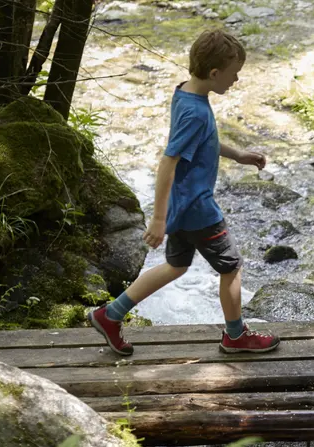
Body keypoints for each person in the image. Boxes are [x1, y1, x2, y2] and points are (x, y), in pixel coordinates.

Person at [88, 29, 280, 356]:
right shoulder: (195, 110)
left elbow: (203, 140)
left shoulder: (186, 94)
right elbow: (168, 161)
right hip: (197, 208)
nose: (237, 81)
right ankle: (235, 336)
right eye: (234, 75)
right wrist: (158, 219)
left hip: (183, 205)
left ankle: (110, 315)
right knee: (231, 267)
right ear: (215, 73)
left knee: (176, 267)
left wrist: (238, 155)